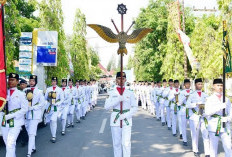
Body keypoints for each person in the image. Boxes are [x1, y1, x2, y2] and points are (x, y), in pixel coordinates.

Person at [104, 72, 138, 157]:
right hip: (115, 119)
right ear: (116, 80)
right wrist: (117, 100)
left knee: (126, 143)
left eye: (123, 78)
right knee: (117, 143)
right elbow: (106, 107)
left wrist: (126, 115)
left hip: (127, 119)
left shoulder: (130, 92)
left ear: (126, 79)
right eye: (119, 78)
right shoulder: (111, 91)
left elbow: (135, 107)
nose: (121, 80)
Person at [1, 73, 28, 157]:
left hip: (16, 121)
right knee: (7, 142)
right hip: (5, 121)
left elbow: (25, 109)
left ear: (17, 82)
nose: (10, 81)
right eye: (9, 79)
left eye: (12, 80)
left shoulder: (21, 94)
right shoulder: (4, 93)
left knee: (10, 142)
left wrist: (12, 115)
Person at [205, 79, 232, 157]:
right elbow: (207, 112)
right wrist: (220, 107)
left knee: (228, 147)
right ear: (213, 86)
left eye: (221, 85)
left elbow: (230, 111)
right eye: (218, 85)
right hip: (214, 126)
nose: (220, 87)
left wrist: (228, 118)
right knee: (213, 149)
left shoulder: (226, 99)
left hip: (225, 126)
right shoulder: (209, 99)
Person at [186, 78, 210, 157]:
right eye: (198, 84)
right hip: (195, 116)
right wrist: (195, 104)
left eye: (201, 84)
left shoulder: (205, 94)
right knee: (195, 134)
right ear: (195, 85)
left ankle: (207, 152)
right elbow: (187, 105)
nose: (200, 85)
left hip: (203, 117)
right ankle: (195, 150)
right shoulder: (192, 95)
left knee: (205, 134)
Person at [25, 75, 45, 157]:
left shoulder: (39, 92)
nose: (31, 82)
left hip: (35, 114)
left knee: (31, 133)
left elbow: (42, 103)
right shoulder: (25, 90)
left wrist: (33, 107)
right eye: (30, 81)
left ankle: (29, 152)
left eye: (33, 81)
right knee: (29, 131)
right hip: (26, 114)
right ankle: (33, 147)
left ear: (35, 82)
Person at [45, 77, 64, 143]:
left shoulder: (60, 89)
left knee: (53, 120)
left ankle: (54, 136)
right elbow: (45, 98)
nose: (53, 82)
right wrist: (48, 102)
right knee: (51, 121)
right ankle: (53, 134)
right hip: (50, 107)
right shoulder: (48, 89)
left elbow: (62, 99)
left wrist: (57, 103)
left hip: (56, 107)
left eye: (55, 81)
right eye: (52, 81)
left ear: (56, 82)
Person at [178, 79, 192, 146]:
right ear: (184, 85)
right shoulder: (181, 92)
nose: (188, 85)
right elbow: (179, 103)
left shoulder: (193, 92)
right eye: (186, 84)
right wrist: (185, 97)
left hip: (191, 111)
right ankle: (184, 139)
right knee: (184, 126)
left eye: (189, 84)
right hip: (184, 110)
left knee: (193, 126)